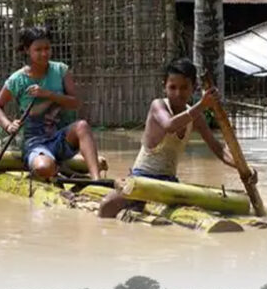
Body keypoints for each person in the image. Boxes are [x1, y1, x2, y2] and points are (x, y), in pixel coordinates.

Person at [99, 58, 255, 219]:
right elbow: (169, 125)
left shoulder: (196, 117)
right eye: (172, 87)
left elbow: (219, 149)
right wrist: (202, 105)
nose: (178, 93)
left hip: (169, 182)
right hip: (142, 179)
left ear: (193, 88)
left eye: (184, 88)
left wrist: (244, 168)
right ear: (164, 87)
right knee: (106, 206)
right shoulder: (157, 106)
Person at [0, 26, 103, 182]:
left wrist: (48, 95)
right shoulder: (17, 79)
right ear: (26, 50)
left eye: (47, 48)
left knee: (82, 126)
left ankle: (97, 180)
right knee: (44, 168)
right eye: (38, 49)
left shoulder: (60, 70)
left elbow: (76, 103)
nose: (44, 53)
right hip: (35, 143)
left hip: (61, 138)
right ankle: (54, 169)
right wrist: (8, 125)